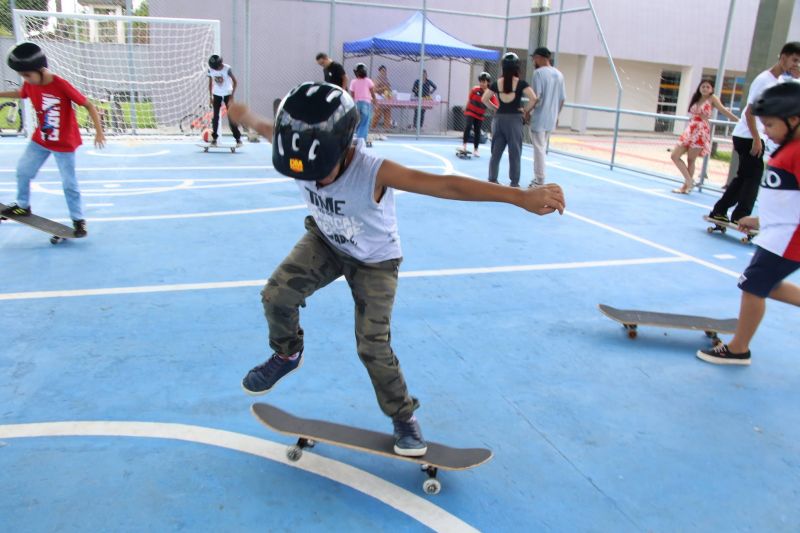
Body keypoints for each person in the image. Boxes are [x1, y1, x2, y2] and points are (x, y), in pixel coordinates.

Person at [228, 81, 565, 456]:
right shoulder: (296, 145)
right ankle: (287, 354)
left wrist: (519, 196)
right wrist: (245, 115)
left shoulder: (375, 170)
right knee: (276, 296)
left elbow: (447, 186)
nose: (316, 179)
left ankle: (404, 416)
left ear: (342, 147)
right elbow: (265, 129)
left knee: (372, 346)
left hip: (375, 262)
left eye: (322, 171)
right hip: (325, 241)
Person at [697, 82, 800, 365]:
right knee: (767, 285)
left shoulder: (798, 151)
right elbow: (787, 198)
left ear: (793, 121)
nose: (764, 130)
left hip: (788, 240)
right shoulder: (786, 148)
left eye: (769, 124)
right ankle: (740, 346)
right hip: (778, 235)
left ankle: (739, 348)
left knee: (753, 286)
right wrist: (760, 219)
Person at [0, 42, 105, 237]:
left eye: (27, 75)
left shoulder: (60, 84)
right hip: (41, 140)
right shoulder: (31, 83)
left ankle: (78, 220)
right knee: (23, 171)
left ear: (40, 69)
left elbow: (88, 105)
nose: (25, 80)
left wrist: (99, 132)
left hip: (64, 143)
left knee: (69, 183)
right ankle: (23, 206)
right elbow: (21, 93)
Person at [708, 41, 800, 224]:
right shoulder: (764, 80)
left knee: (744, 177)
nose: (796, 65)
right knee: (753, 178)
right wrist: (757, 140)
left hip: (752, 136)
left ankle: (719, 211)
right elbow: (750, 112)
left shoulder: (780, 81)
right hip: (748, 136)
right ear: (783, 58)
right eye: (794, 60)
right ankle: (741, 217)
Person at [670, 79, 739, 194]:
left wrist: (738, 121)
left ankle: (685, 187)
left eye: (708, 87)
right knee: (674, 155)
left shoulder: (712, 98)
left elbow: (723, 110)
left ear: (711, 89)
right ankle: (689, 181)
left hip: (701, 130)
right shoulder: (696, 97)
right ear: (699, 88)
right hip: (691, 129)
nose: (705, 89)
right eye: (703, 86)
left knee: (691, 159)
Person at [482, 52, 537, 187]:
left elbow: (484, 99)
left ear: (503, 67)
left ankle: (492, 179)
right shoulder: (521, 83)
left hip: (499, 120)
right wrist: (525, 111)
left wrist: (495, 108)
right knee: (515, 152)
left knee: (495, 152)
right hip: (514, 121)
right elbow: (534, 98)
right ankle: (514, 182)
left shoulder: (496, 83)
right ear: (517, 67)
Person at [526, 47, 566, 188]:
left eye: (534, 58)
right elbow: (562, 99)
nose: (533, 61)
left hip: (539, 117)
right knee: (542, 148)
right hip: (551, 118)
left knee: (539, 149)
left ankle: (539, 179)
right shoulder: (559, 75)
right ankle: (539, 178)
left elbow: (536, 97)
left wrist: (527, 112)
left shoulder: (538, 73)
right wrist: (557, 115)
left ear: (540, 57)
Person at [207, 54, 242, 147]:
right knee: (215, 118)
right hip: (216, 94)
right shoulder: (210, 70)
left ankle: (238, 139)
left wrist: (232, 95)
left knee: (231, 118)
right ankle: (214, 139)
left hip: (227, 94)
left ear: (220, 64)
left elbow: (235, 82)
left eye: (217, 67)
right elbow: (210, 84)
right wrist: (210, 97)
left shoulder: (227, 69)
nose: (216, 70)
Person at [461, 72, 498, 157]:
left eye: (484, 82)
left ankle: (476, 149)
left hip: (479, 115)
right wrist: (465, 108)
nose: (481, 83)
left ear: (488, 82)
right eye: (480, 81)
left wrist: (497, 112)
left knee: (477, 131)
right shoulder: (475, 89)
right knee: (468, 126)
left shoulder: (490, 94)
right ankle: (464, 146)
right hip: (470, 111)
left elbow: (496, 106)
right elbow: (469, 99)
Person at [349, 63, 376, 146]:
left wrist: (353, 100)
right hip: (366, 103)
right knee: (365, 121)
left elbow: (352, 93)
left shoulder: (353, 82)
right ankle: (361, 140)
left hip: (357, 103)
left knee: (358, 121)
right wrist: (374, 100)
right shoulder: (368, 81)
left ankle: (358, 136)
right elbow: (372, 92)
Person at [371, 65, 393, 134]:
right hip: (378, 97)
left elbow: (389, 88)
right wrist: (383, 88)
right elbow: (374, 90)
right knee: (378, 113)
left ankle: (386, 128)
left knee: (388, 111)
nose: (384, 72)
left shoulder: (386, 79)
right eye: (382, 71)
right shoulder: (377, 80)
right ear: (379, 71)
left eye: (385, 71)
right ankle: (373, 127)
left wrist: (388, 90)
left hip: (385, 97)